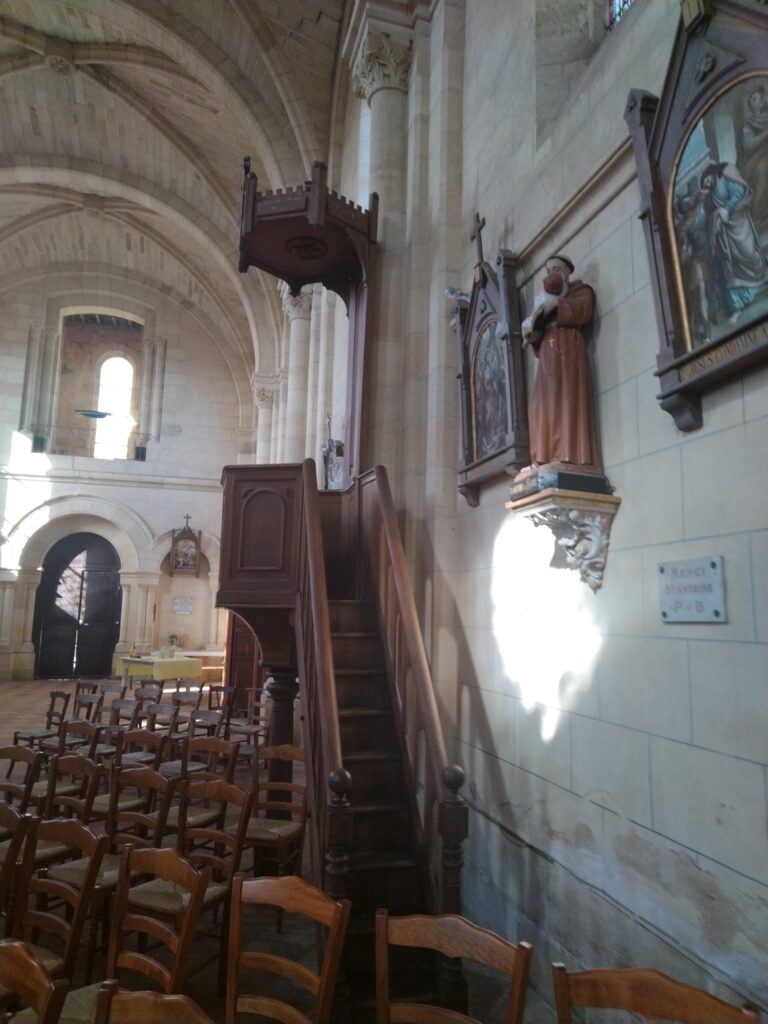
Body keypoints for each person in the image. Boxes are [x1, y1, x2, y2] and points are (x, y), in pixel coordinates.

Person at [521, 255, 601, 471]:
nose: (552, 274)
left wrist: (557, 304)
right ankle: (544, 456)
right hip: (548, 355)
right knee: (541, 404)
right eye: (548, 271)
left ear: (567, 272)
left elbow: (583, 312)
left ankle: (568, 455)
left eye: (556, 269)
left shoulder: (581, 291)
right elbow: (538, 334)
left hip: (568, 351)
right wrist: (534, 335)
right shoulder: (543, 299)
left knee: (565, 399)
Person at [699, 161, 767, 325]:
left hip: (738, 224)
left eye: (707, 179)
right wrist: (716, 216)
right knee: (729, 270)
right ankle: (738, 306)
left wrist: (727, 209)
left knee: (750, 254)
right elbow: (709, 216)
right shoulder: (710, 196)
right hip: (725, 237)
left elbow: (739, 192)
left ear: (712, 173)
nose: (707, 183)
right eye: (705, 183)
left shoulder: (726, 180)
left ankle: (762, 278)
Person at [738, 82, 768, 227]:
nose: (752, 103)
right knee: (762, 168)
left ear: (762, 98)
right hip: (753, 163)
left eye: (754, 99)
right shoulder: (748, 125)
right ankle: (759, 213)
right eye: (750, 101)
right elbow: (748, 146)